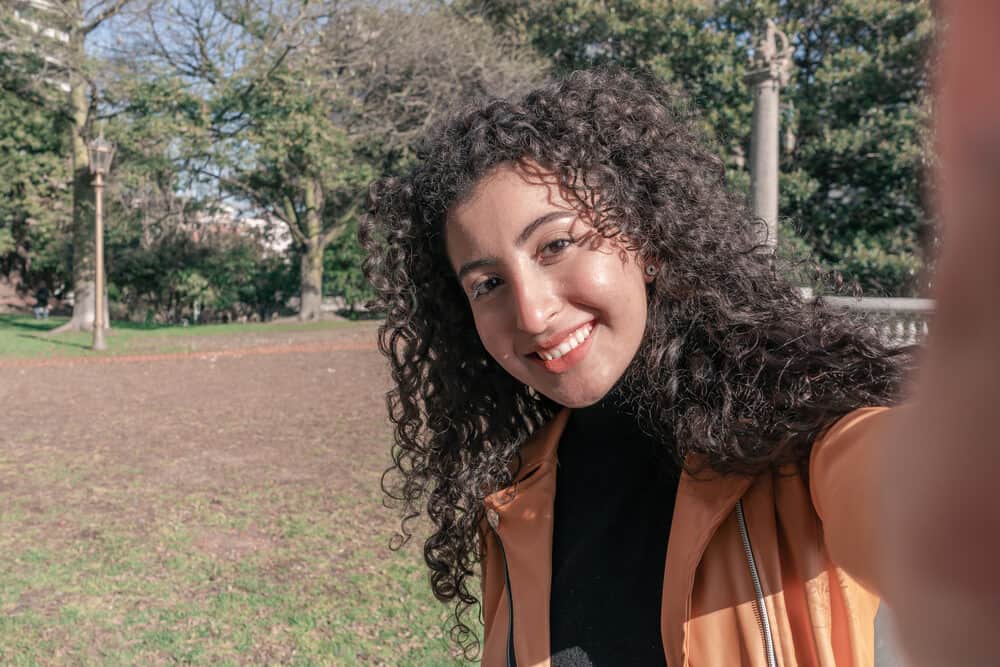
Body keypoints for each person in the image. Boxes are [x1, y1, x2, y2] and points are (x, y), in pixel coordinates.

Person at [362, 30, 994, 662]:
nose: (531, 311)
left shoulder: (797, 436)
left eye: (556, 245)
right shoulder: (516, 495)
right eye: (489, 283)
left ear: (646, 241)